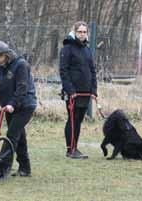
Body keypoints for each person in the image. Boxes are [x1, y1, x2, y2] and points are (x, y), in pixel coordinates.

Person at [0, 41, 37, 177]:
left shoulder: (21, 65)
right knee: (19, 137)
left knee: (11, 135)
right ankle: (25, 168)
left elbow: (22, 87)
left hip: (24, 105)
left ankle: (1, 168)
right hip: (8, 107)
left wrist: (13, 104)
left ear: (4, 55)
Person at [59, 21, 97, 159]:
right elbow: (63, 71)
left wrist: (94, 90)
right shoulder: (67, 48)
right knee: (72, 119)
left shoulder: (87, 49)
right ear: (74, 32)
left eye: (84, 32)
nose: (82, 34)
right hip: (73, 93)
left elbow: (92, 70)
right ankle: (70, 149)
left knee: (79, 120)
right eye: (79, 31)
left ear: (87, 33)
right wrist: (70, 90)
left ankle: (75, 147)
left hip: (85, 92)